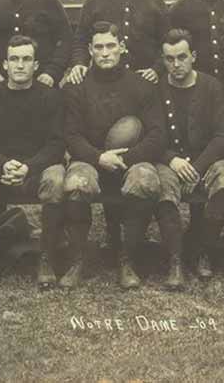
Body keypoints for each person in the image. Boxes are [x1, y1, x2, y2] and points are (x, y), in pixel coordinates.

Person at [64, 0, 168, 254]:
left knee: (137, 141)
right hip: (98, 85)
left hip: (138, 86)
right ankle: (111, 229)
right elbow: (81, 40)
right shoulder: (95, 1)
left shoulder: (155, 2)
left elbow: (167, 46)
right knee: (102, 137)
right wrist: (80, 64)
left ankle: (135, 230)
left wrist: (156, 69)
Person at [63, 21, 166, 289]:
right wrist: (99, 157)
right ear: (89, 50)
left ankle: (127, 257)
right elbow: (71, 136)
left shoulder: (141, 85)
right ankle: (77, 259)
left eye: (111, 46)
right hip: (90, 159)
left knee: (144, 180)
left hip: (131, 158)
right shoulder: (76, 86)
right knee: (75, 183)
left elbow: (157, 134)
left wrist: (127, 158)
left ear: (122, 47)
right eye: (99, 47)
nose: (105, 52)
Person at [0, 35, 67, 290]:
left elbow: (57, 144)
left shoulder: (50, 97)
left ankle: (47, 257)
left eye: (27, 59)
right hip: (1, 166)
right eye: (14, 59)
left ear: (36, 65)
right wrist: (2, 164)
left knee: (56, 180)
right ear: (5, 64)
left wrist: (29, 167)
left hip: (39, 165)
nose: (20, 65)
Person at [155, 29, 224, 287]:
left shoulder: (211, 86)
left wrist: (198, 166)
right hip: (170, 161)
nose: (176, 64)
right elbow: (149, 135)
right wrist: (172, 160)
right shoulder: (156, 89)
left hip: (206, 158)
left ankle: (204, 249)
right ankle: (175, 259)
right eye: (169, 58)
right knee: (164, 188)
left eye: (182, 57)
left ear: (194, 56)